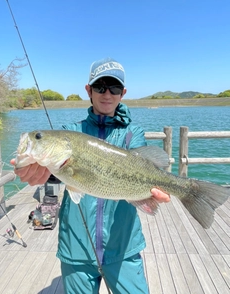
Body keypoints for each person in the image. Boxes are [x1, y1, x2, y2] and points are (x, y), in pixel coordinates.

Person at [11, 58, 170, 294]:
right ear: (89, 90)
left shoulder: (132, 134)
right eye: (100, 86)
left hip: (123, 246)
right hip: (76, 248)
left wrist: (149, 195)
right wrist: (33, 172)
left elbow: (142, 168)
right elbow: (54, 175)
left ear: (123, 93)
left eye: (114, 88)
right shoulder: (68, 132)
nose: (107, 94)